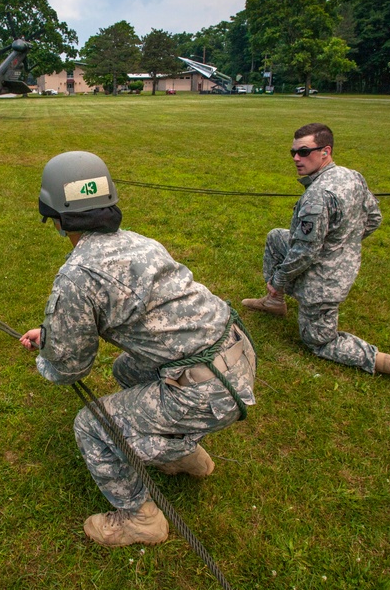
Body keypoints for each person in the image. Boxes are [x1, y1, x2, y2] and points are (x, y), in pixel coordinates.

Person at [20, 151, 256, 548]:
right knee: (128, 371)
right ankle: (181, 456)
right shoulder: (140, 244)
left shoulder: (78, 276)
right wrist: (52, 333)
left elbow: (69, 368)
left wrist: (49, 355)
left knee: (92, 426)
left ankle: (139, 519)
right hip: (236, 357)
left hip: (206, 389)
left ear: (56, 217)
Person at [242, 123, 390, 394]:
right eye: (293, 152)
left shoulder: (318, 195)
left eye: (304, 152)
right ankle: (274, 303)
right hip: (341, 265)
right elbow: (374, 219)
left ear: (325, 151)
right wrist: (343, 245)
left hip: (323, 283)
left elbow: (304, 253)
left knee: (320, 342)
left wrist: (279, 279)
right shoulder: (352, 176)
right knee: (276, 236)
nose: (296, 158)